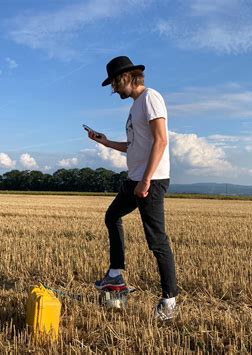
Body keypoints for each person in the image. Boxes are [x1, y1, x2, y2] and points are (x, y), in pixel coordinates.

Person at [87, 56, 178, 320]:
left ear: (126, 77)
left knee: (156, 241)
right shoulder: (136, 107)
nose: (113, 89)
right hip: (135, 178)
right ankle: (115, 274)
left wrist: (146, 180)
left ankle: (169, 302)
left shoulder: (150, 98)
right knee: (112, 216)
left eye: (114, 83)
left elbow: (161, 141)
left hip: (151, 180)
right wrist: (105, 143)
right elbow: (134, 146)